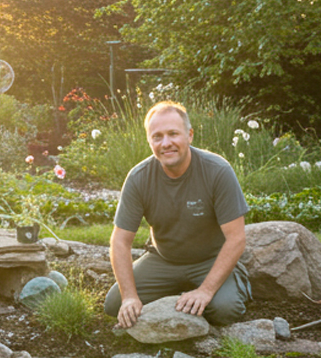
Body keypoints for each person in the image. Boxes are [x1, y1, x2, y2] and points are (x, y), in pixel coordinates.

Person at [103, 100, 252, 329]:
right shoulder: (139, 178)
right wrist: (131, 296)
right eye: (157, 136)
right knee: (115, 305)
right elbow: (120, 241)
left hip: (209, 260)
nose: (166, 143)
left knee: (225, 310)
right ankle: (176, 290)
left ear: (190, 135)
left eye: (173, 134)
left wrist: (205, 291)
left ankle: (234, 281)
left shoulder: (217, 171)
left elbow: (236, 238)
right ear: (149, 141)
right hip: (164, 259)